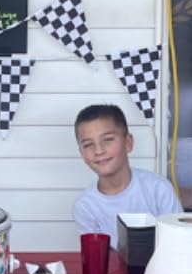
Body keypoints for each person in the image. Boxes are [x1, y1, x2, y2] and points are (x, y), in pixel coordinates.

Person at [72, 103, 182, 240]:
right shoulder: (85, 207)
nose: (99, 151)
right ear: (81, 153)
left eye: (108, 140)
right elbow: (97, 255)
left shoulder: (159, 190)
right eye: (88, 145)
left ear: (128, 143)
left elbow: (179, 242)